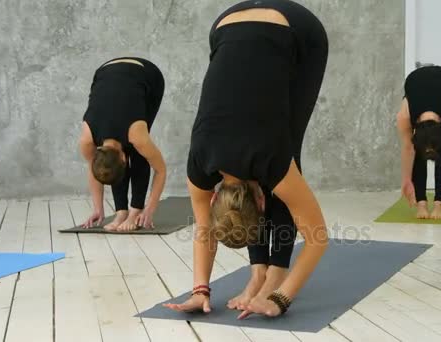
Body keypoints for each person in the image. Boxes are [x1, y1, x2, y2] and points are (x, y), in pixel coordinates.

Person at [165, 0, 329, 318]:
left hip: (298, 27)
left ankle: (275, 274)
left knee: (289, 143)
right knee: (279, 143)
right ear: (214, 198)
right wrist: (199, 291)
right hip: (226, 22)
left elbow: (318, 238)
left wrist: (281, 298)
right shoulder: (200, 164)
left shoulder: (275, 164)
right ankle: (258, 272)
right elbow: (205, 229)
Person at [78, 57, 167, 231]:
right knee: (111, 166)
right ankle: (121, 212)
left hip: (146, 74)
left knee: (139, 150)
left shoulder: (136, 134)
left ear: (124, 159)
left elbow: (160, 170)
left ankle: (135, 211)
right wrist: (98, 209)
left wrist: (149, 210)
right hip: (105, 70)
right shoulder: (87, 139)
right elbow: (94, 167)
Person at [397, 65, 441, 219]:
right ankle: (421, 204)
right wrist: (406, 179)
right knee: (419, 148)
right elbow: (408, 148)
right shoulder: (404, 117)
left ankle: (438, 205)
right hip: (415, 79)